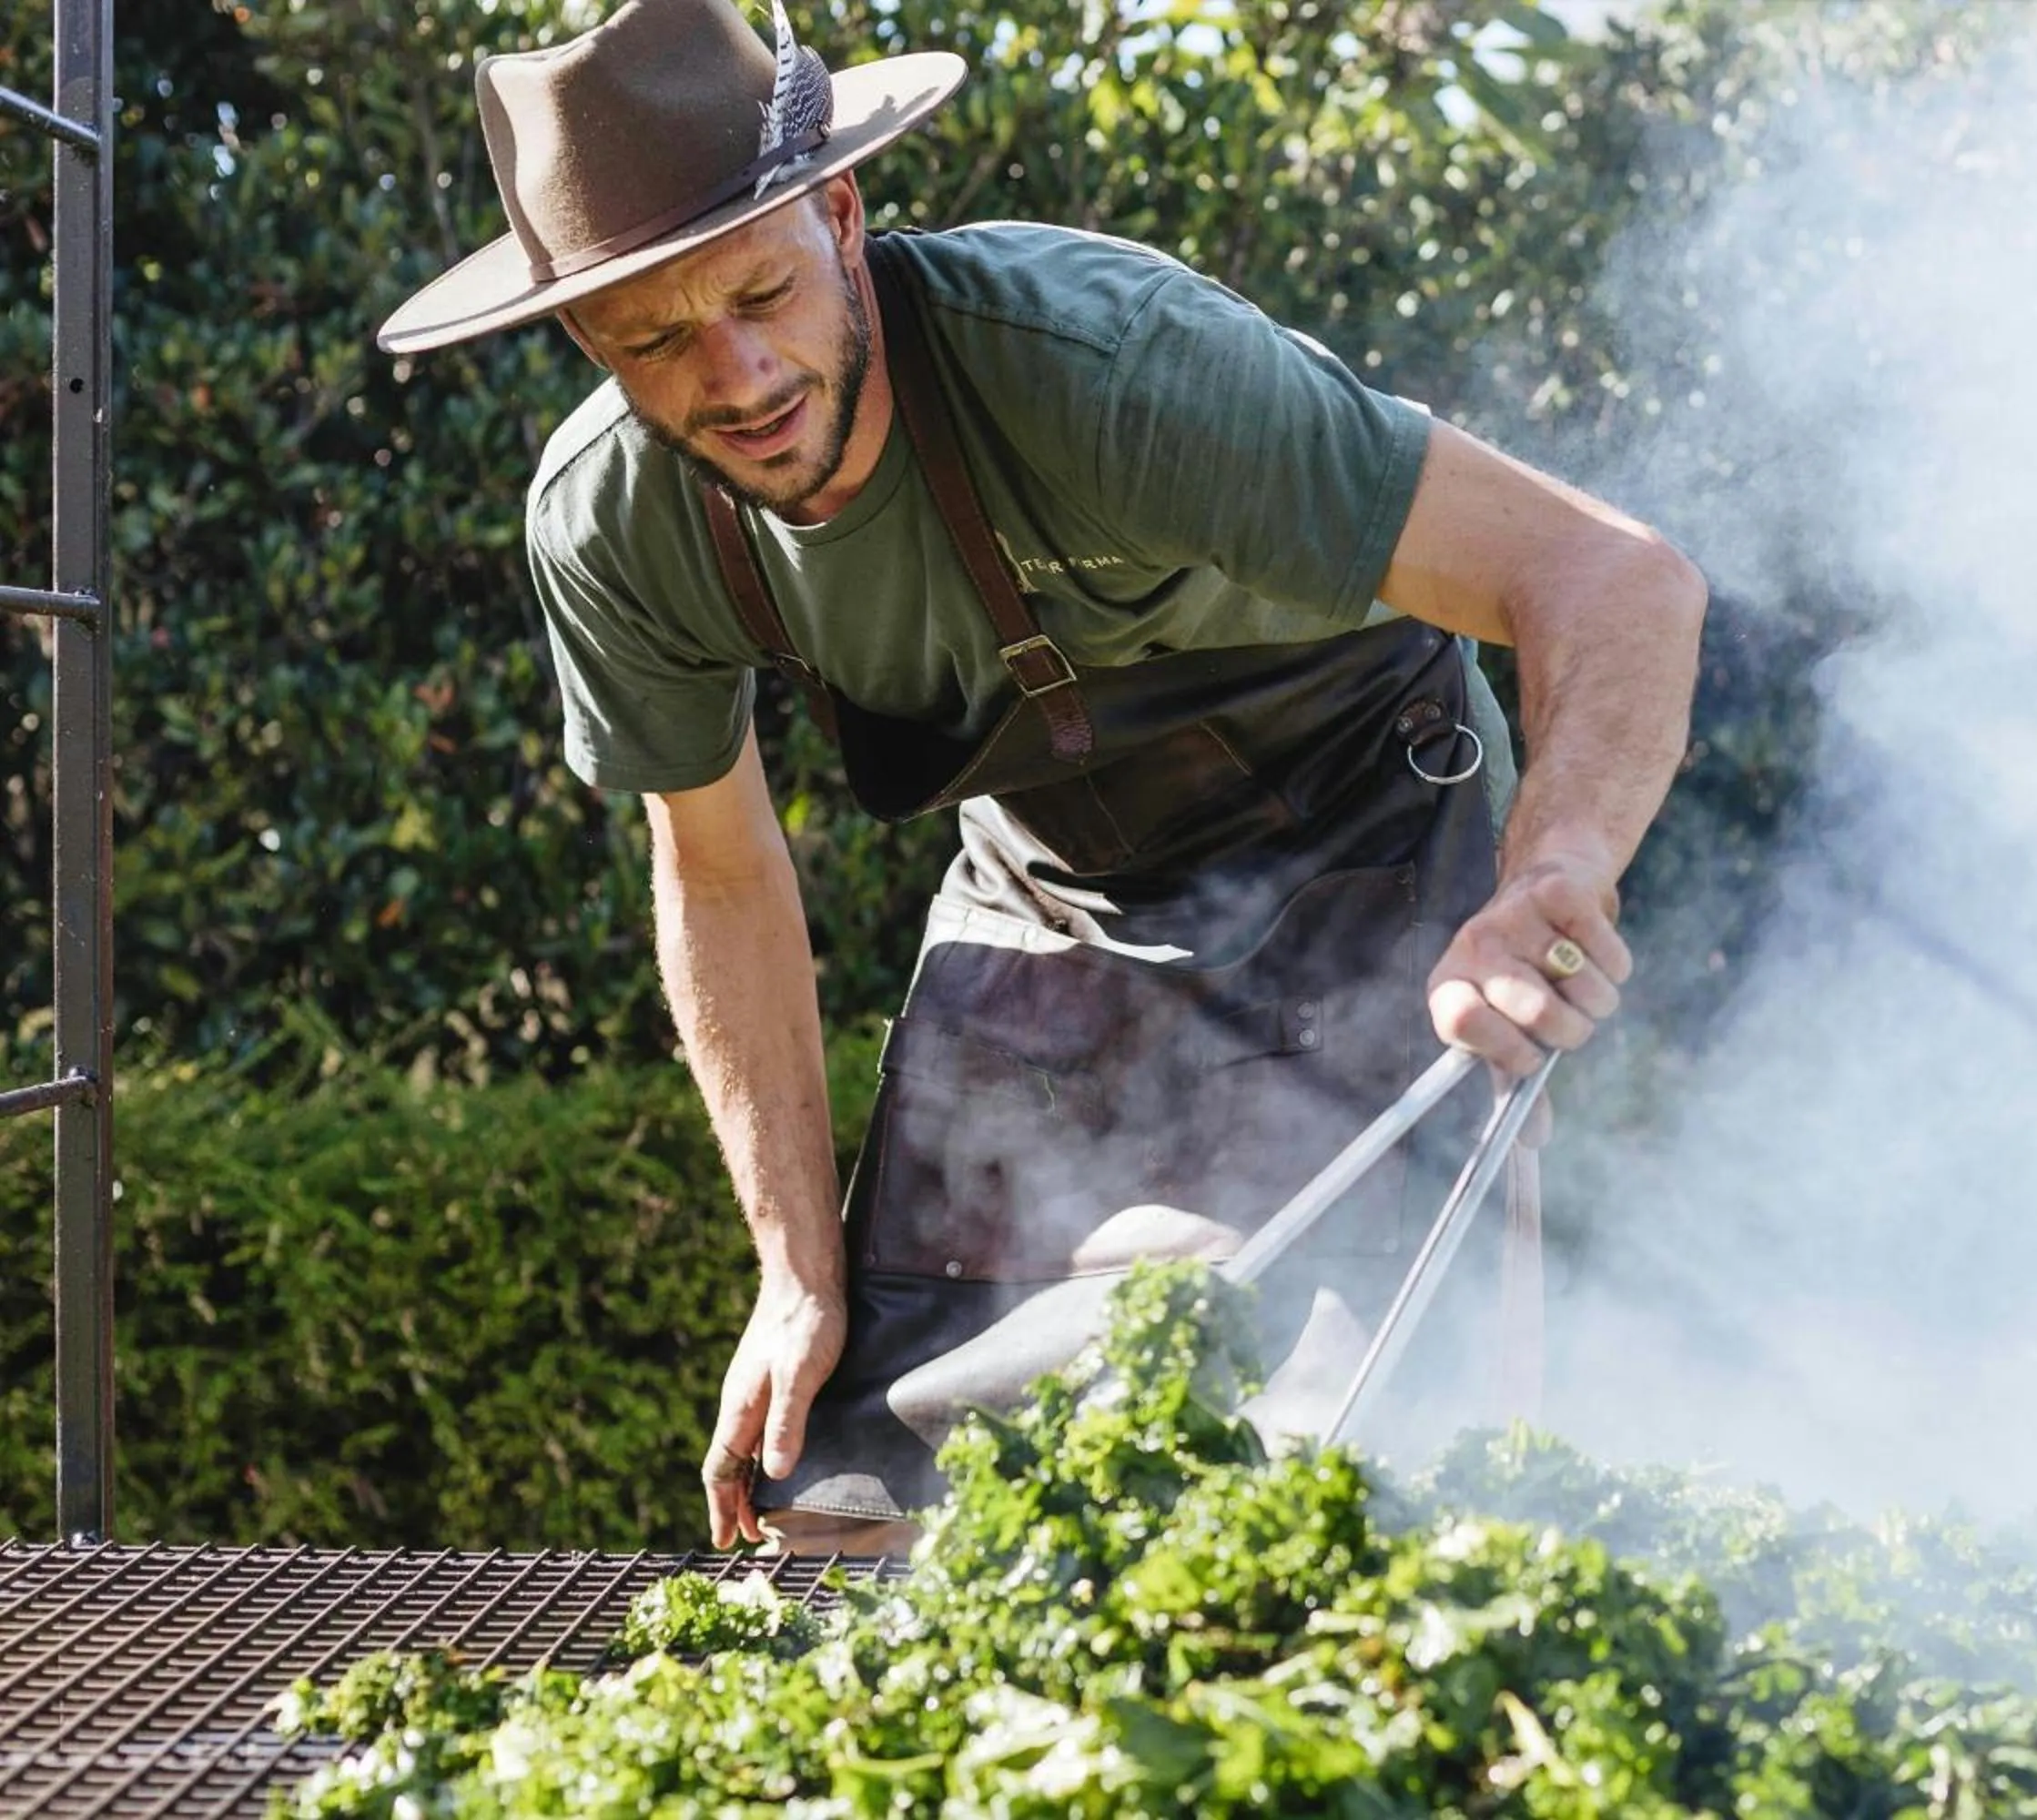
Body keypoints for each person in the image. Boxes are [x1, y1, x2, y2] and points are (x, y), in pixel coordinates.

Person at [377, 0, 1705, 1554]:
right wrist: (795, 1274)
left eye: (759, 291)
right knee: (862, 1493)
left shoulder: (1106, 366)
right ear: (583, 339)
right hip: (1050, 882)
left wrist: (1544, 883)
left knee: (1365, 1480)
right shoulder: (609, 525)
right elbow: (722, 870)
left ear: (844, 213)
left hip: (1362, 820)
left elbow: (1614, 583)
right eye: (656, 339)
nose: (735, 377)